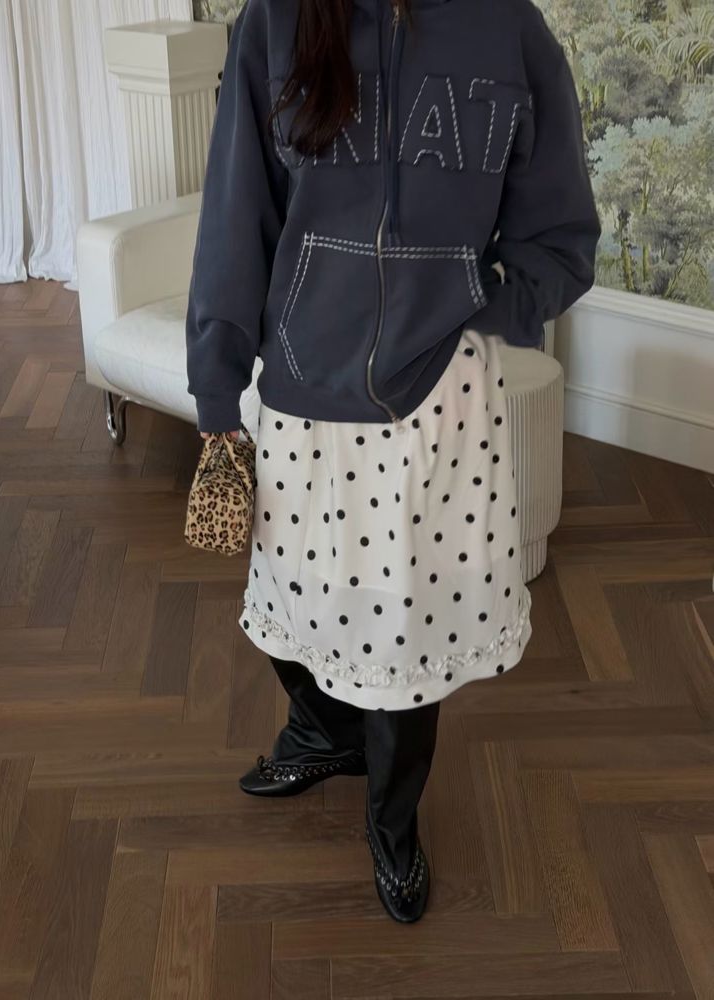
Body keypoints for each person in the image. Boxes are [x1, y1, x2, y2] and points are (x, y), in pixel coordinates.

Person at [186, 0, 601, 922]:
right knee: (293, 606)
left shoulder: (508, 30)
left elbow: (562, 234)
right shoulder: (276, 22)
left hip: (439, 400)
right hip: (302, 388)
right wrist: (217, 387)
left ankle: (392, 819)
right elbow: (235, 217)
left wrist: (482, 309)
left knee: (407, 637)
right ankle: (323, 732)